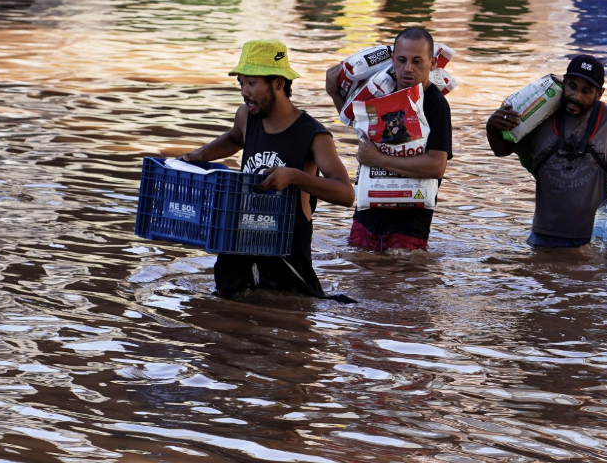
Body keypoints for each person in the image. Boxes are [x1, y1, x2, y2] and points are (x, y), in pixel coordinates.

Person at [178, 40, 355, 300]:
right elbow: (235, 138)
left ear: (278, 83)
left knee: (290, 323)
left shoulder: (314, 135)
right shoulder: (246, 116)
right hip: (239, 242)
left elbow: (346, 194)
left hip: (285, 255)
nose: (244, 92)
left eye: (251, 83)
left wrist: (294, 176)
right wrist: (199, 155)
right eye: (241, 83)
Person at [485, 55, 607, 248]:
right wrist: (492, 127)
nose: (576, 96)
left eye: (586, 91)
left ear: (599, 94)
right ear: (564, 82)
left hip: (597, 237)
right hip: (544, 235)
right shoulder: (540, 114)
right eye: (572, 86)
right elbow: (502, 151)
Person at [325, 27, 452, 251]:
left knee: (403, 275)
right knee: (361, 275)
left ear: (432, 64)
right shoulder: (380, 91)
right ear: (392, 59)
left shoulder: (434, 104)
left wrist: (378, 159)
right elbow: (360, 129)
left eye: (417, 61)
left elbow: (436, 166)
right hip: (368, 213)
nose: (408, 69)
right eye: (401, 60)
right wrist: (335, 93)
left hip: (409, 221)